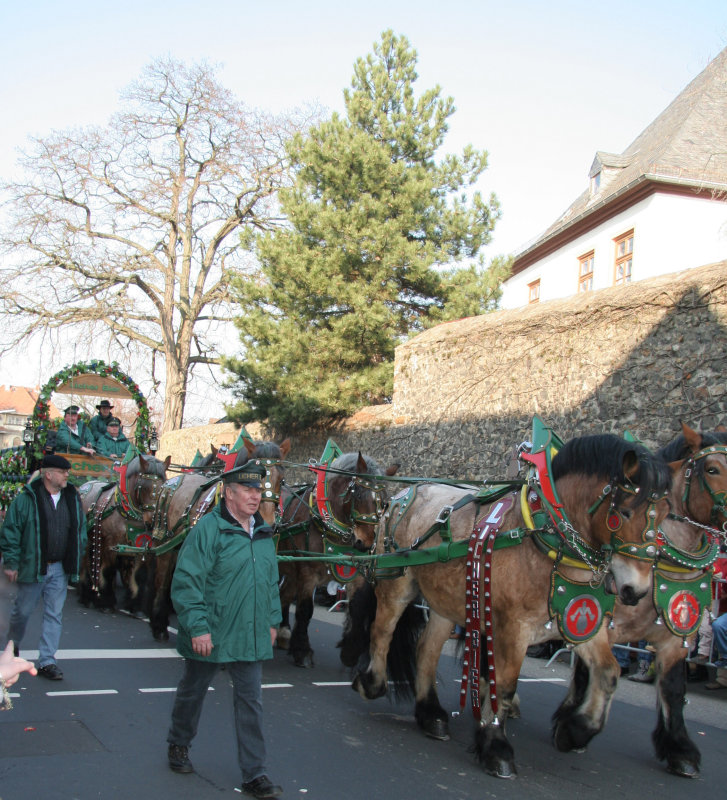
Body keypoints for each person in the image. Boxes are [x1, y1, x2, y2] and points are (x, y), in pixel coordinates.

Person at [166, 460, 283, 799]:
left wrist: (272, 622)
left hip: (249, 634)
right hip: (212, 633)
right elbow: (187, 582)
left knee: (251, 703)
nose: (255, 496)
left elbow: (270, 583)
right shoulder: (208, 531)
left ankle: (255, 773)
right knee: (193, 691)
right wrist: (198, 628)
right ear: (229, 494)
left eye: (258, 490)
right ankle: (178, 743)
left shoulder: (263, 534)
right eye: (248, 489)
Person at [0, 454, 86, 680]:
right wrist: (11, 562)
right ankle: (12, 650)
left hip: (59, 568)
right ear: (49, 475)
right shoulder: (26, 499)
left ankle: (47, 661)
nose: (67, 474)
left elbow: (80, 531)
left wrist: (77, 555)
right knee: (22, 612)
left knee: (54, 615)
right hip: (33, 567)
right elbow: (11, 531)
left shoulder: (72, 498)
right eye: (62, 471)